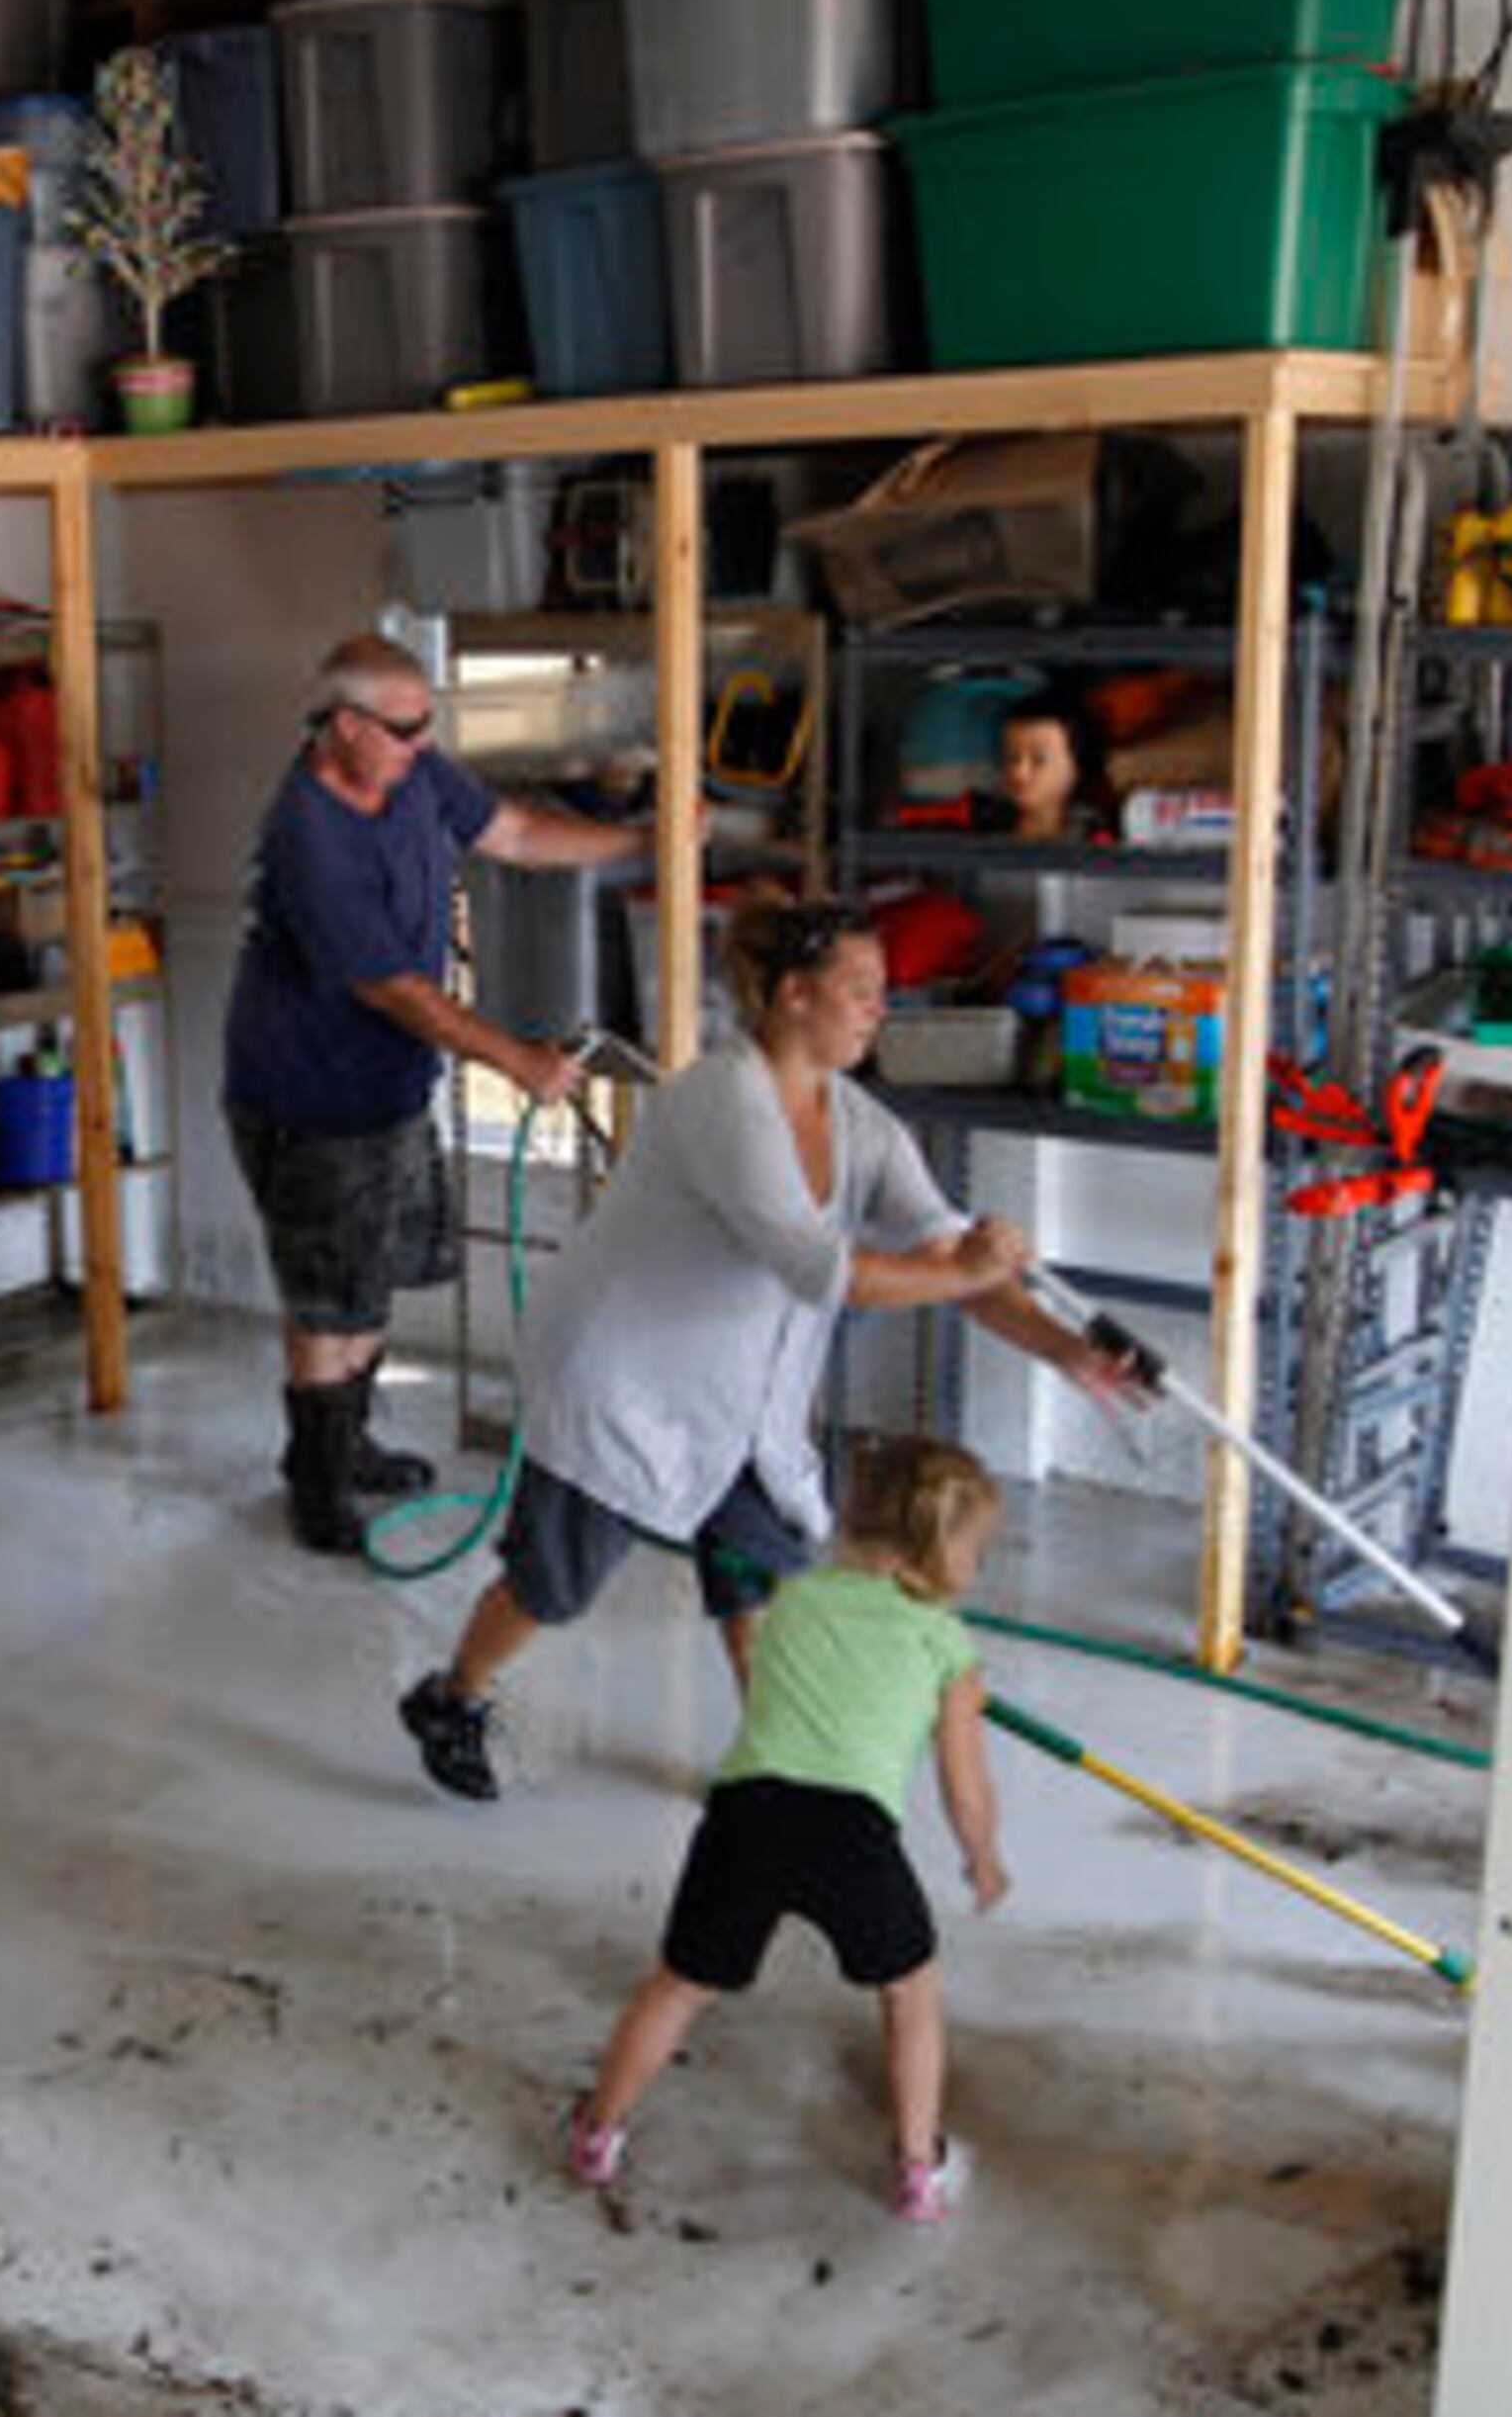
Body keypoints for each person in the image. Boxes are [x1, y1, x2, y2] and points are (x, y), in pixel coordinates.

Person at [397, 897, 1122, 1802]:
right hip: (621, 1375)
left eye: (881, 992)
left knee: (757, 1575)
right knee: (556, 1580)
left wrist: (1065, 1349)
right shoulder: (721, 1100)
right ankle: (452, 1694)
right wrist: (967, 1266)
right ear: (792, 995)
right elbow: (824, 1268)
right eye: (859, 990)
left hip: (742, 1390)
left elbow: (948, 1259)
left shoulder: (860, 1124)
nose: (876, 1010)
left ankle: (772, 1763)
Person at [222, 632, 644, 1556]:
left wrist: (639, 841)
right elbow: (394, 989)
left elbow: (517, 833)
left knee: (371, 1285)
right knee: (327, 1298)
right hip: (307, 1093)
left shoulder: (411, 773)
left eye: (426, 726)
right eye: (406, 728)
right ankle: (316, 1479)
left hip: (387, 1085)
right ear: (343, 724)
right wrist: (516, 1059)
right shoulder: (309, 831)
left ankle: (351, 1441)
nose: (422, 745)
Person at [562, 1433, 1011, 2226]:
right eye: (980, 1549)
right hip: (853, 1834)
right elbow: (964, 1786)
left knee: (679, 1982)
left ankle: (597, 2131)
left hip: (748, 1814)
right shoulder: (950, 1647)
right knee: (910, 1992)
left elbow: (774, 1687)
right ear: (942, 1552)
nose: (978, 1566)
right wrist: (983, 1857)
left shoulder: (791, 1596)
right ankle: (918, 2170)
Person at [985, 687, 1117, 844]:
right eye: (1013, 758)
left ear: (1077, 766)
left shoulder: (1094, 837)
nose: (1019, 772)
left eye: (1039, 760)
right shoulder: (988, 827)